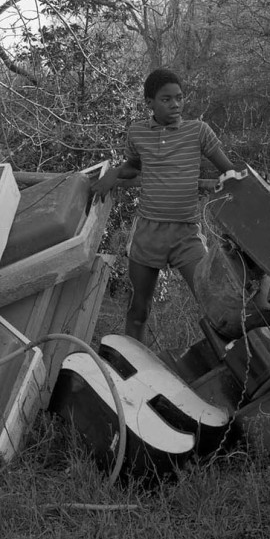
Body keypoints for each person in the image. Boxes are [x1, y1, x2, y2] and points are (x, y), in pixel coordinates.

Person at [91, 68, 238, 342]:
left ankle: (229, 365)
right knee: (139, 309)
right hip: (148, 232)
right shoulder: (137, 133)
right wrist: (113, 173)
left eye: (179, 98)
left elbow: (228, 171)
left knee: (213, 305)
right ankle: (132, 367)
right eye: (166, 99)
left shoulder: (198, 131)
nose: (175, 105)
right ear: (149, 102)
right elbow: (134, 167)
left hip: (186, 233)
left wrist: (247, 182)